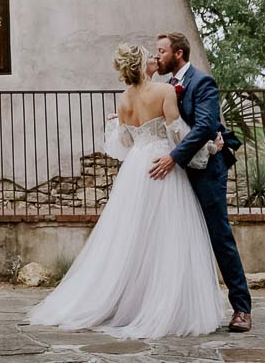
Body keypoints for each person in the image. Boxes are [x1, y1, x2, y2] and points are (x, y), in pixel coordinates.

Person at [28, 44, 229, 338]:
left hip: (136, 168)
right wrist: (211, 148)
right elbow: (179, 137)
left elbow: (124, 144)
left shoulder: (123, 100)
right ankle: (161, 304)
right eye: (150, 55)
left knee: (132, 236)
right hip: (162, 165)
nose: (154, 58)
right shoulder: (164, 93)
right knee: (168, 235)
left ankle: (132, 302)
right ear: (141, 65)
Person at [147, 31, 253, 332]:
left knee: (219, 235)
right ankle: (182, 307)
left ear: (178, 53)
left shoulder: (201, 82)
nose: (158, 56)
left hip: (207, 168)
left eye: (162, 51)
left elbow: (206, 125)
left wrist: (173, 158)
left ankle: (242, 308)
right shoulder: (167, 87)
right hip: (179, 174)